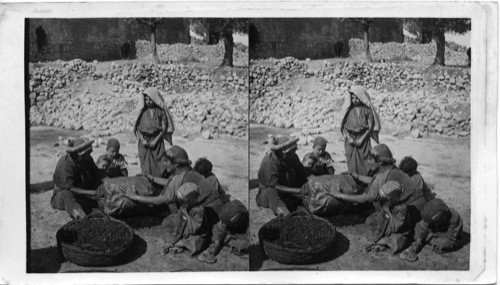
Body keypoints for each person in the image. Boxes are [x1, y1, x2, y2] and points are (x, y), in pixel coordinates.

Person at [327, 144, 425, 224]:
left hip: (412, 211)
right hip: (420, 204)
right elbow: (374, 181)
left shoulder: (381, 176)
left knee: (370, 221)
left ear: (380, 163)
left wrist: (340, 195)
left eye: (370, 159)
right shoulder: (391, 169)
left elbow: (364, 198)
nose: (368, 162)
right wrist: (357, 176)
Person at [123, 145, 224, 217]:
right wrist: (152, 178)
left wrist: (135, 197)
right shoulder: (188, 171)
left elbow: (160, 200)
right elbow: (170, 182)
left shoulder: (178, 178)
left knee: (169, 221)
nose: (163, 164)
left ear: (176, 164)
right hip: (218, 207)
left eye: (166, 161)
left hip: (211, 213)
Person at [256, 136, 309, 217]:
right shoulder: (269, 162)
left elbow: (303, 173)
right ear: (281, 152)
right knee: (271, 192)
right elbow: (275, 186)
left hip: (288, 189)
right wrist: (297, 191)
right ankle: (284, 213)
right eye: (290, 152)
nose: (293, 154)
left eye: (294, 151)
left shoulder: (293, 157)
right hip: (270, 192)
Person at [51, 138, 102, 220]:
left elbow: (97, 174)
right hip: (63, 195)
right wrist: (93, 192)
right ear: (79, 154)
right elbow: (70, 188)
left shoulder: (87, 159)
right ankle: (82, 217)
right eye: (87, 153)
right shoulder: (66, 164)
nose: (89, 155)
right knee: (67, 195)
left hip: (83, 192)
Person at [399, 198, 464, 262]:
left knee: (441, 245)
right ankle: (428, 238)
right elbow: (425, 225)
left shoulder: (454, 218)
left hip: (450, 234)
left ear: (442, 216)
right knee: (417, 234)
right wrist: (417, 242)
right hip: (436, 229)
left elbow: (451, 236)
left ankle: (436, 241)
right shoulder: (431, 214)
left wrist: (433, 234)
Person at [160, 183, 214, 255]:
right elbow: (178, 220)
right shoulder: (186, 207)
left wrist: (186, 215)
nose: (182, 204)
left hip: (196, 233)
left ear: (192, 200)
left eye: (184, 202)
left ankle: (175, 244)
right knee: (168, 222)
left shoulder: (199, 211)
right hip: (184, 229)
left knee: (196, 242)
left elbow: (194, 229)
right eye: (181, 202)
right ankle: (172, 242)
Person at [133, 87, 175, 177]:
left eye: (150, 100)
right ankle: (146, 177)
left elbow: (163, 128)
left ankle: (158, 179)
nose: (148, 102)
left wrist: (155, 140)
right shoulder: (142, 112)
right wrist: (142, 140)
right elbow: (137, 127)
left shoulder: (160, 112)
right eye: (146, 99)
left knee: (159, 161)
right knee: (144, 160)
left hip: (157, 139)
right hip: (143, 140)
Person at [340, 85, 381, 176]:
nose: (355, 100)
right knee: (350, 158)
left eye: (357, 98)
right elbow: (344, 126)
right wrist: (349, 138)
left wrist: (362, 139)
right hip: (350, 139)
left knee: (364, 159)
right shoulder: (349, 110)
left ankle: (363, 178)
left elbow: (370, 127)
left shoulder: (367, 110)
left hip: (363, 138)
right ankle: (353, 177)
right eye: (353, 98)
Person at [363, 181, 412, 254]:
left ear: (395, 198)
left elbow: (395, 228)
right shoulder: (388, 204)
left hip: (399, 232)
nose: (385, 202)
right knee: (370, 220)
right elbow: (380, 216)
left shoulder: (402, 209)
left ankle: (377, 242)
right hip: (387, 228)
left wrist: (389, 213)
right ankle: (377, 241)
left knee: (395, 240)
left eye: (387, 200)